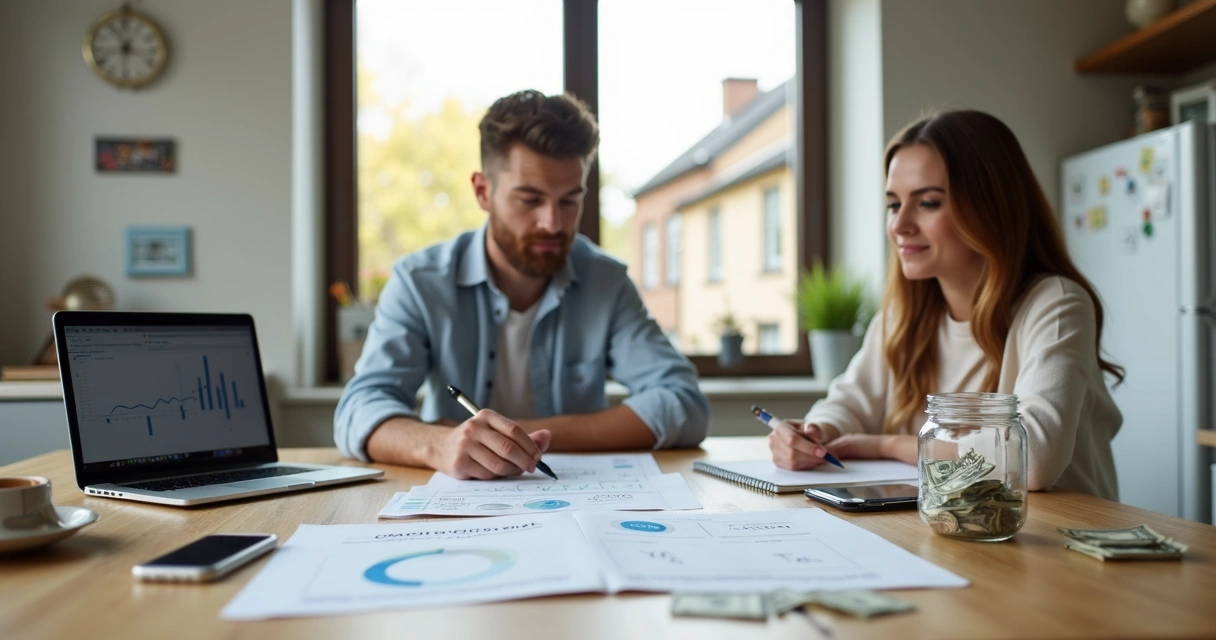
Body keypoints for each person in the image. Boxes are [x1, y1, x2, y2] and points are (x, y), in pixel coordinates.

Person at [335, 90, 709, 479]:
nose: (553, 223)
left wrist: (514, 434)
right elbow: (359, 409)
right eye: (530, 200)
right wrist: (440, 444)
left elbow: (684, 404)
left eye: (569, 201)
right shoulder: (419, 282)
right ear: (483, 191)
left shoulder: (606, 282)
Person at [769, 110, 1124, 500]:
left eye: (928, 203)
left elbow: (1032, 458)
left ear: (989, 207)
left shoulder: (1055, 304)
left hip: (1059, 542)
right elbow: (851, 402)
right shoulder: (903, 316)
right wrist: (815, 433)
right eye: (893, 204)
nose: (900, 224)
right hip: (962, 529)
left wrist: (889, 445)